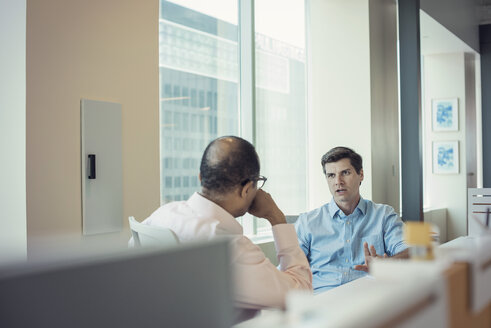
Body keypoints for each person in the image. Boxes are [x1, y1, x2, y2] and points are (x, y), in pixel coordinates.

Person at [138, 136, 312, 322]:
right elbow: (300, 295)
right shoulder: (230, 247)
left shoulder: (159, 216)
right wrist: (277, 218)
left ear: (200, 177)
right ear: (246, 189)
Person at [295, 146, 408, 294]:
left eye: (345, 173)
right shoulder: (307, 222)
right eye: (331, 175)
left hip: (370, 300)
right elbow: (290, 269)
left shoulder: (384, 215)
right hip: (324, 301)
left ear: (361, 175)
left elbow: (411, 251)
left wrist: (387, 264)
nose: (338, 181)